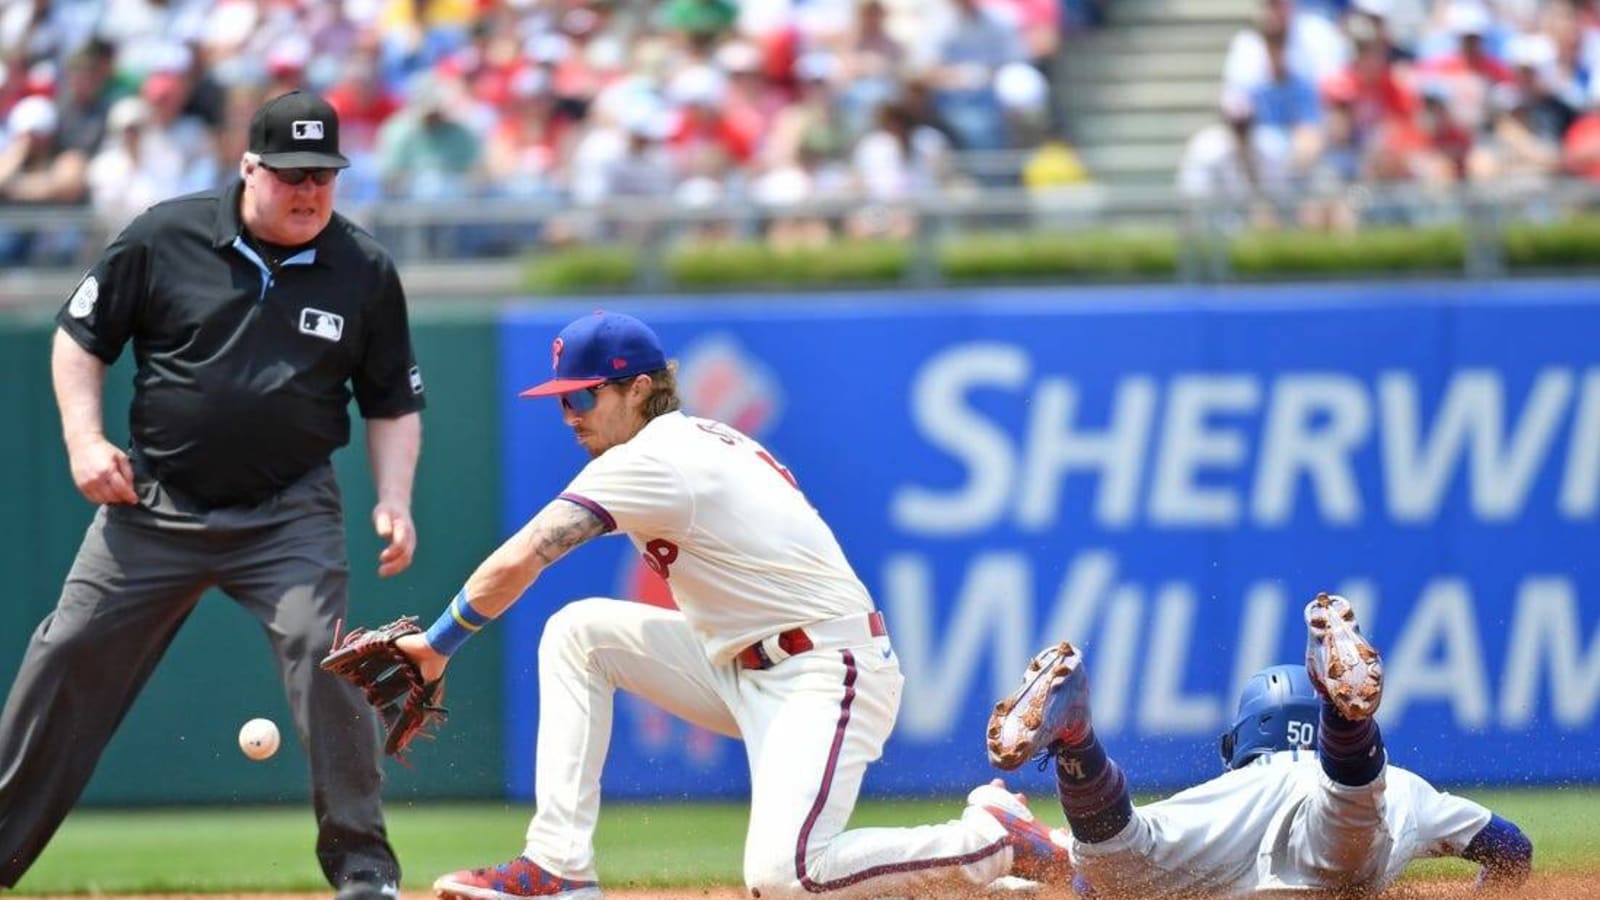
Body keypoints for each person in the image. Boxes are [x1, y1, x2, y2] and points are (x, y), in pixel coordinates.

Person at [380, 309, 1070, 898]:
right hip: (745, 666)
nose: (569, 415)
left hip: (826, 670)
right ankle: (559, 865)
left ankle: (990, 841)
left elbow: (523, 555)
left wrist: (436, 644)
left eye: (583, 396)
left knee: (786, 876)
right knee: (579, 632)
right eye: (562, 400)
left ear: (639, 388)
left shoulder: (652, 458)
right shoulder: (687, 439)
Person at [0, 90, 425, 899]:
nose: (309, 191)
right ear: (249, 166)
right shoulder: (167, 235)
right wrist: (84, 441)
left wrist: (396, 498)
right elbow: (79, 338)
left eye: (324, 175)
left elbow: (393, 401)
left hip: (288, 512)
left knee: (328, 656)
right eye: (292, 173)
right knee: (65, 654)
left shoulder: (362, 269)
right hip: (153, 506)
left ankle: (364, 869)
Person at [987, 592, 1535, 897]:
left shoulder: (1225, 791)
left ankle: (1076, 739)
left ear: (1240, 741)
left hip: (1229, 834)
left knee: (1119, 858)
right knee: (1349, 816)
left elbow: (1092, 886)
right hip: (1347, 837)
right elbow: (1512, 849)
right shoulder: (1409, 788)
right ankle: (1344, 722)